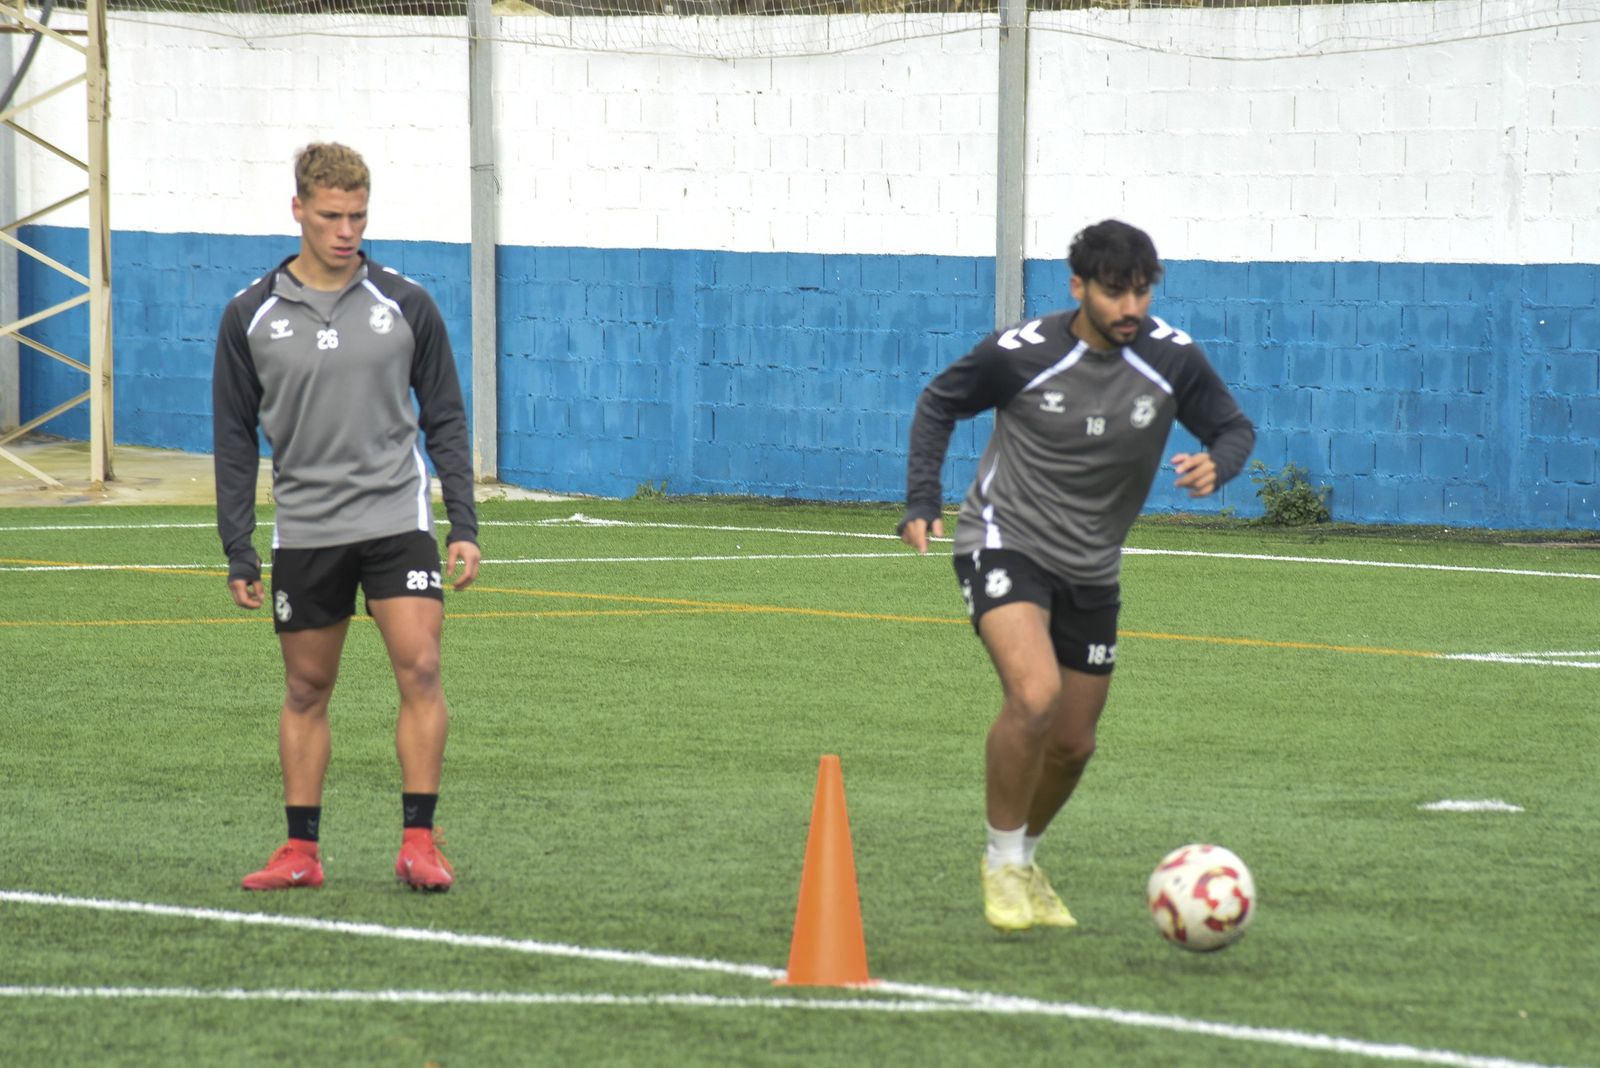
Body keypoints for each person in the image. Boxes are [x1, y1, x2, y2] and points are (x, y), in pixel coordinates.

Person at [898, 219, 1255, 932]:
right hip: (1004, 540)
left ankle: (1024, 857)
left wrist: (1221, 462)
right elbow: (940, 402)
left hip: (1093, 565)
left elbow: (1233, 427)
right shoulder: (1022, 353)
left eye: (1142, 291)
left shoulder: (1172, 359)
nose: (1132, 308)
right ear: (1078, 287)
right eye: (1115, 292)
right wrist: (921, 500)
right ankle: (999, 864)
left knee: (1072, 743)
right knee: (1035, 697)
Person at [212, 142, 481, 893]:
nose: (346, 230)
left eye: (358, 216)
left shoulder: (406, 304)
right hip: (307, 528)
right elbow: (233, 438)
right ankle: (300, 852)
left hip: (396, 517)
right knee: (306, 690)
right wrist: (238, 545)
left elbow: (446, 419)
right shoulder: (250, 315)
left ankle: (419, 842)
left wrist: (463, 522)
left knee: (422, 666)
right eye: (331, 215)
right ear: (298, 209)